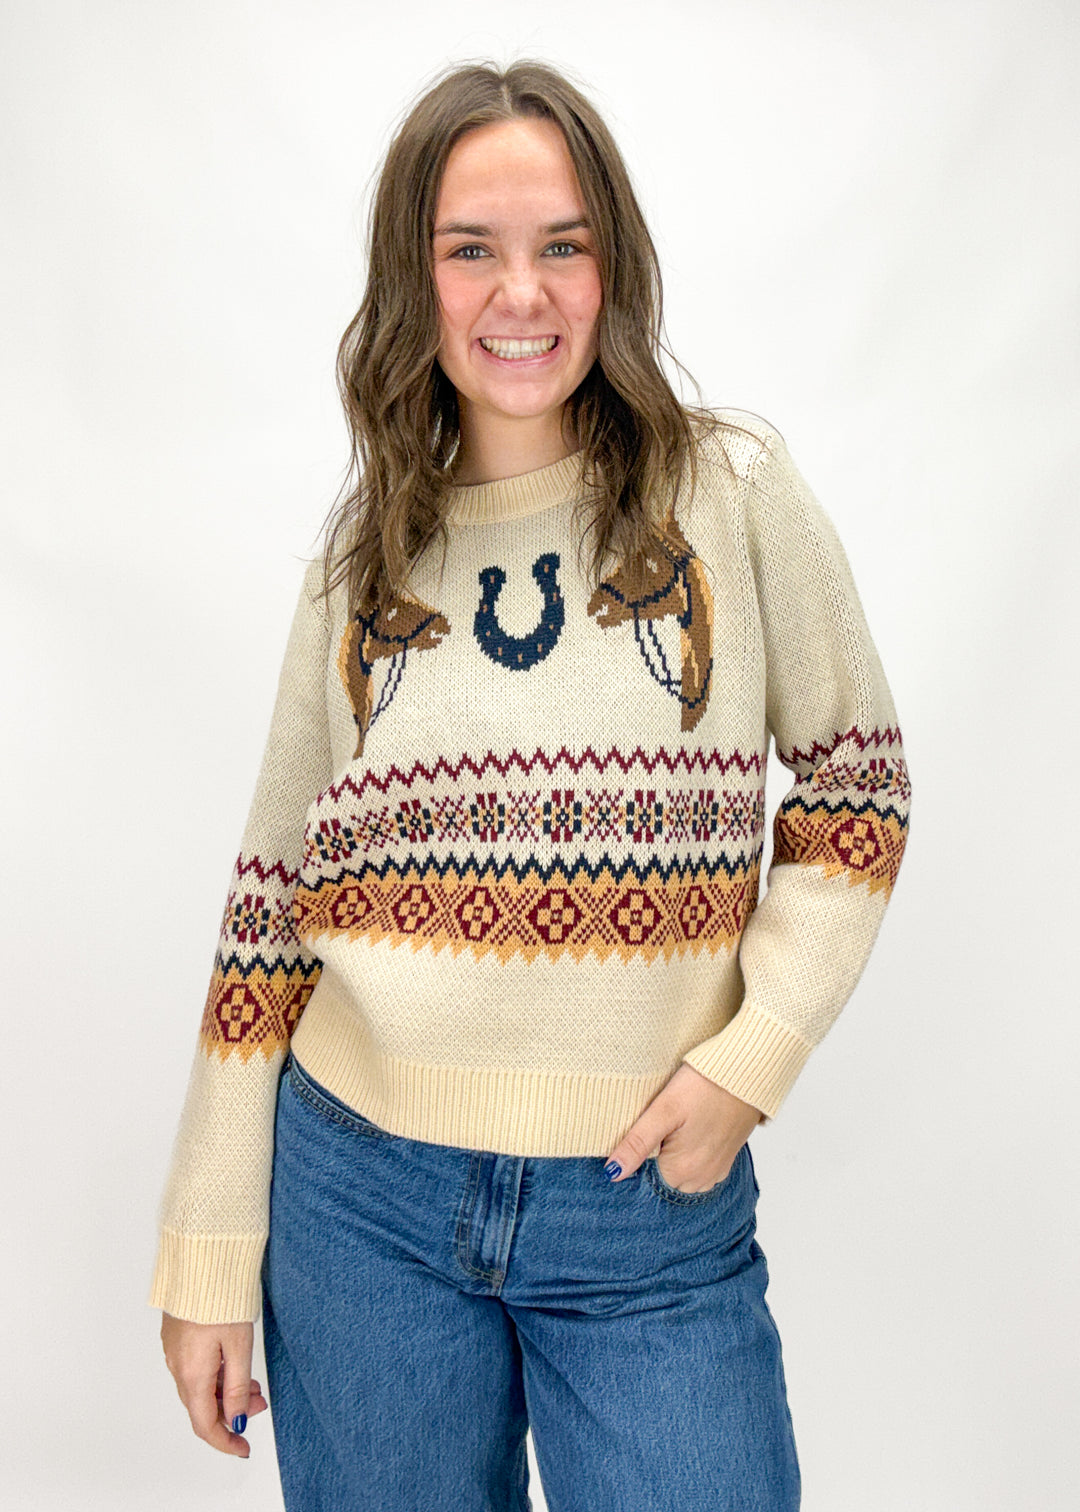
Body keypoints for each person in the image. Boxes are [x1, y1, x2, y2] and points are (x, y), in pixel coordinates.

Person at [152, 57, 912, 1512]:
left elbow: (855, 789)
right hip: (357, 1203)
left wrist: (755, 1059)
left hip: (642, 1214)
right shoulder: (363, 558)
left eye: (563, 245)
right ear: (414, 281)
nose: (523, 294)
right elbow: (271, 902)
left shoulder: (730, 494)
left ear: (613, 266)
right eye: (471, 251)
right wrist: (205, 1242)